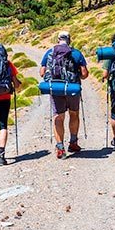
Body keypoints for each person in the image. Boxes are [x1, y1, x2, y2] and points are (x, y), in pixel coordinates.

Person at [40, 31, 89, 159]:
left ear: (58, 40)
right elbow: (84, 74)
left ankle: (60, 147)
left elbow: (42, 72)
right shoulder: (76, 53)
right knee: (74, 114)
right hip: (72, 88)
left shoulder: (49, 52)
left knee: (58, 117)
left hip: (56, 89)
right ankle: (73, 143)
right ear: (69, 40)